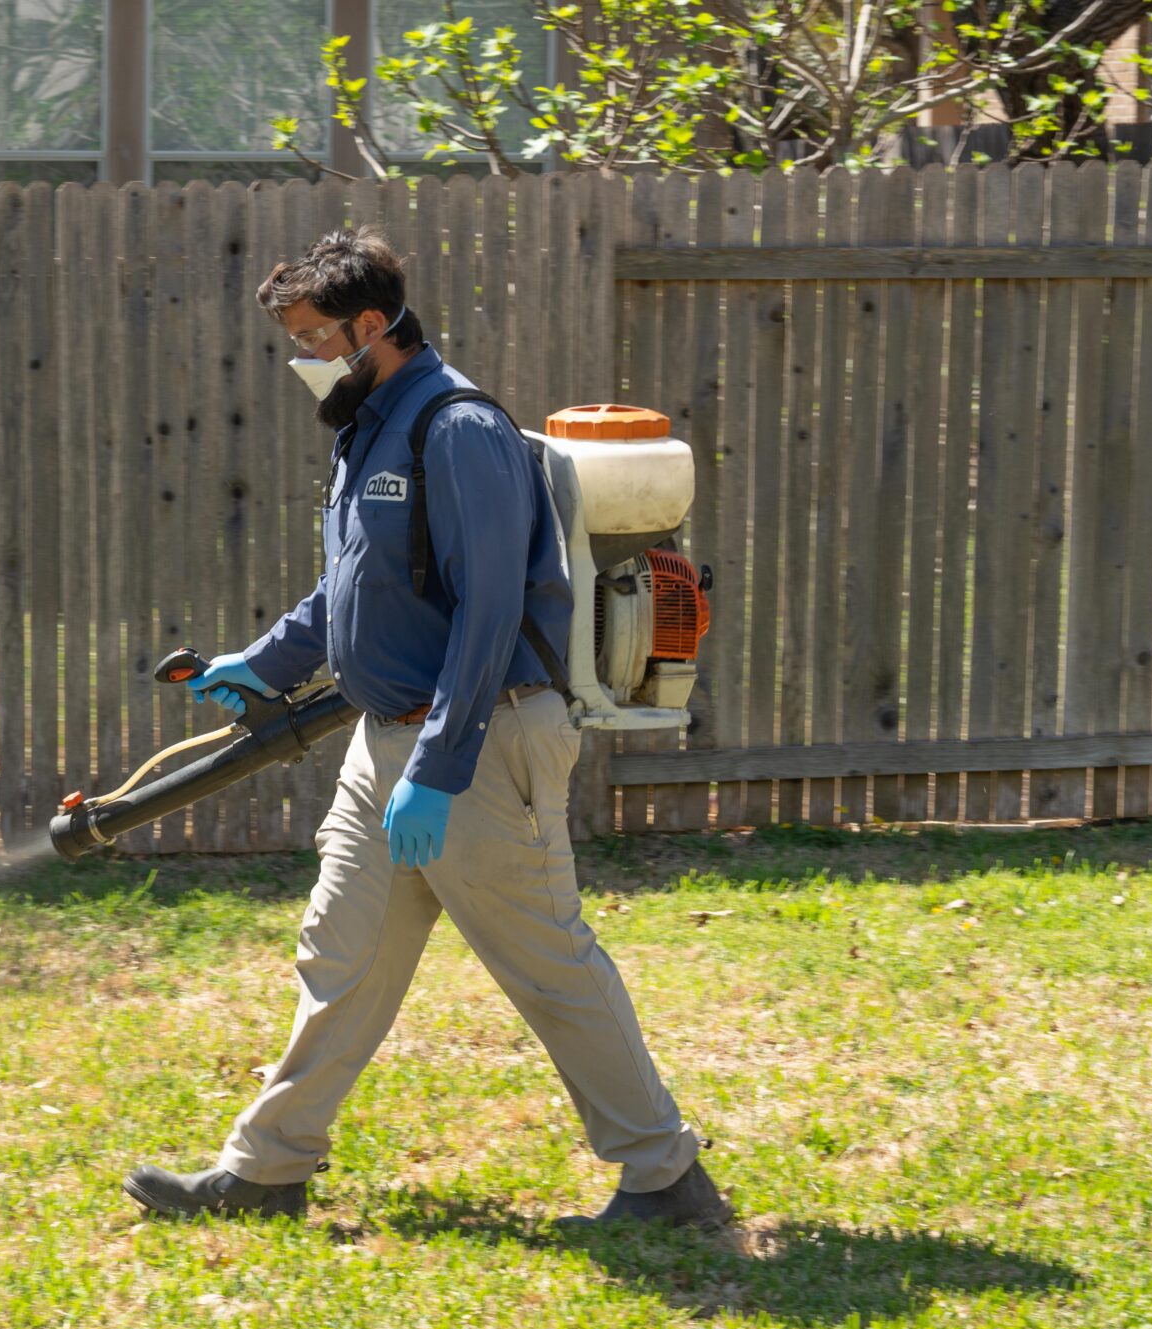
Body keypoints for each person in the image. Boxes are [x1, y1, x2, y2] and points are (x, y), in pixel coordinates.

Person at [121, 228, 731, 1229]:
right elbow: (353, 586)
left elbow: (489, 613)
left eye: (315, 338)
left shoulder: (456, 430)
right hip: (389, 743)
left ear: (370, 328)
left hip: (481, 741)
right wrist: (263, 662)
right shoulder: (371, 426)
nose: (304, 360)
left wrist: (440, 770)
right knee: (340, 952)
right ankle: (266, 1170)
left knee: (546, 963)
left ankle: (665, 1178)